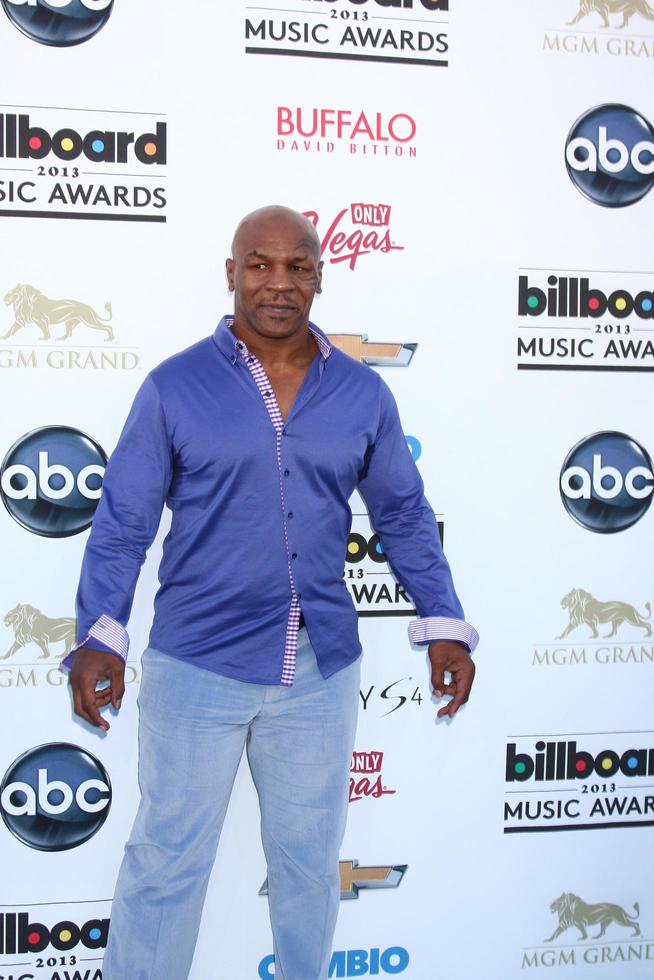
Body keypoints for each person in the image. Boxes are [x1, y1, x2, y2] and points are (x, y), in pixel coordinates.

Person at [65, 205, 479, 980]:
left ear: (320, 277)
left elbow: (403, 514)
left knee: (310, 869)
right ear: (232, 274)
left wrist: (444, 620)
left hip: (318, 674)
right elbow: (124, 523)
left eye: (297, 266)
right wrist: (100, 634)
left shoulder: (361, 394)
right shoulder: (173, 387)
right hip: (197, 668)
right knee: (165, 865)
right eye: (259, 264)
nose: (278, 282)